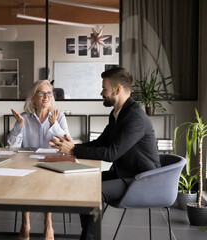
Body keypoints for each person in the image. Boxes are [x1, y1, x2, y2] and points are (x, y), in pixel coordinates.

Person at [49, 67, 161, 240]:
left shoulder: (135, 117)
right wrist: (71, 147)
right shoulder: (117, 113)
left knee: (93, 191)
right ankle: (88, 236)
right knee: (83, 183)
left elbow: (111, 154)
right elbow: (100, 143)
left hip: (141, 179)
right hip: (124, 174)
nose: (101, 92)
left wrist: (73, 150)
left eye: (104, 88)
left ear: (117, 90)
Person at [7, 79, 70, 240]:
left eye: (49, 93)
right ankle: (25, 221)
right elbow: (12, 147)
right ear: (33, 97)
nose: (46, 96)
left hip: (51, 163)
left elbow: (68, 143)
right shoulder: (25, 118)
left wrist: (53, 124)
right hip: (28, 163)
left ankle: (48, 222)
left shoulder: (59, 116)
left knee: (47, 180)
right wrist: (19, 126)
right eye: (41, 93)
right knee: (24, 178)